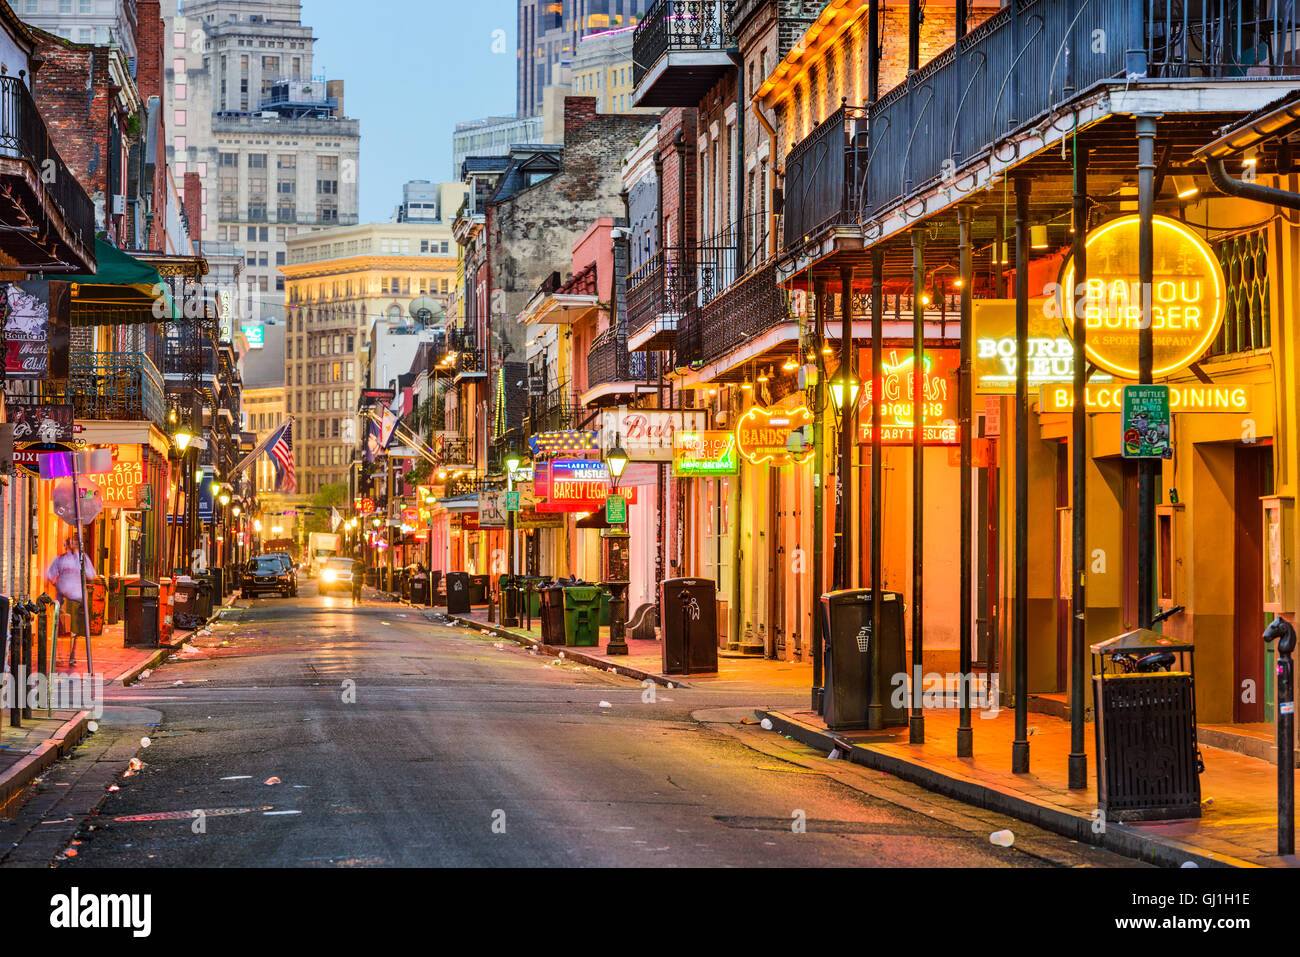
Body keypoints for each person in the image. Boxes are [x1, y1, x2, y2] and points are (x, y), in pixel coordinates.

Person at [46, 536, 97, 664]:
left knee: (72, 629)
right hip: (65, 598)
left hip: (75, 598)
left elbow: (91, 574)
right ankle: (62, 655)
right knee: (63, 628)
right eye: (70, 544)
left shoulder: (81, 558)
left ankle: (70, 655)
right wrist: (56, 585)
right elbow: (50, 575)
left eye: (74, 544)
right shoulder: (62, 559)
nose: (72, 546)